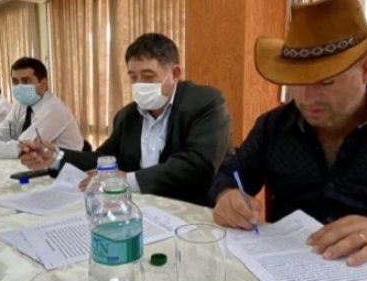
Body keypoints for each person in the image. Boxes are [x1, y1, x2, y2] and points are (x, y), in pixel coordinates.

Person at [209, 0, 367, 266]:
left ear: (366, 68)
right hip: (288, 277)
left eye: (325, 81)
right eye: (296, 81)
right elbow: (229, 174)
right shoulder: (274, 126)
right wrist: (227, 196)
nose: (305, 99)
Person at [19, 33, 233, 206]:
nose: (139, 85)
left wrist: (127, 180)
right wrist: (55, 156)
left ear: (175, 74)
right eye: (133, 77)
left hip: (192, 212)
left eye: (148, 77)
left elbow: (198, 165)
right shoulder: (127, 115)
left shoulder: (205, 102)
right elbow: (103, 159)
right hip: (140, 210)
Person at [0, 57, 83, 159]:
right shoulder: (20, 106)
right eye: (15, 81)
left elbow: (23, 147)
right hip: (36, 163)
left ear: (44, 83)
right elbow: (1, 135)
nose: (19, 86)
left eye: (26, 81)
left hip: (64, 169)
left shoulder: (54, 109)